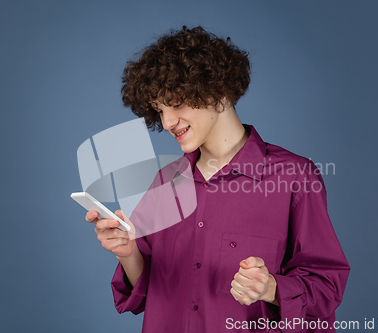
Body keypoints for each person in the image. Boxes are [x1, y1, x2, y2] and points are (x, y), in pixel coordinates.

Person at [85, 26, 350, 332]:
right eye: (159, 110)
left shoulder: (294, 177)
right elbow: (147, 288)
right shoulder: (165, 182)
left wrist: (270, 288)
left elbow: (327, 287)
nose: (168, 122)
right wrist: (128, 253)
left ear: (217, 90)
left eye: (177, 103)